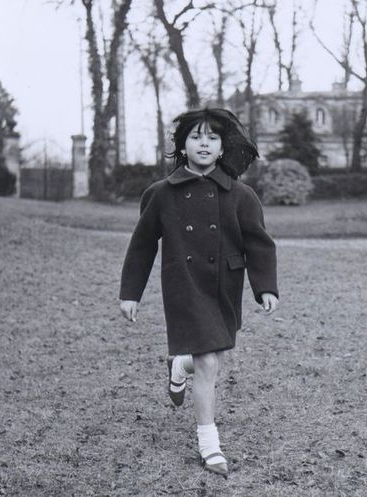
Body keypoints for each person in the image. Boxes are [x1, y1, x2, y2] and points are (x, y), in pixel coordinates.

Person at [120, 108, 278, 478]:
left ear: (222, 147)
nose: (203, 143)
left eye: (211, 137)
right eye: (195, 137)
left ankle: (179, 365)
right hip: (185, 284)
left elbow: (259, 244)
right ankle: (210, 446)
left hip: (225, 285)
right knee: (208, 363)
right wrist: (131, 292)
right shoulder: (160, 194)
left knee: (217, 353)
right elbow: (142, 245)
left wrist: (265, 287)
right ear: (182, 145)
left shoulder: (241, 195)